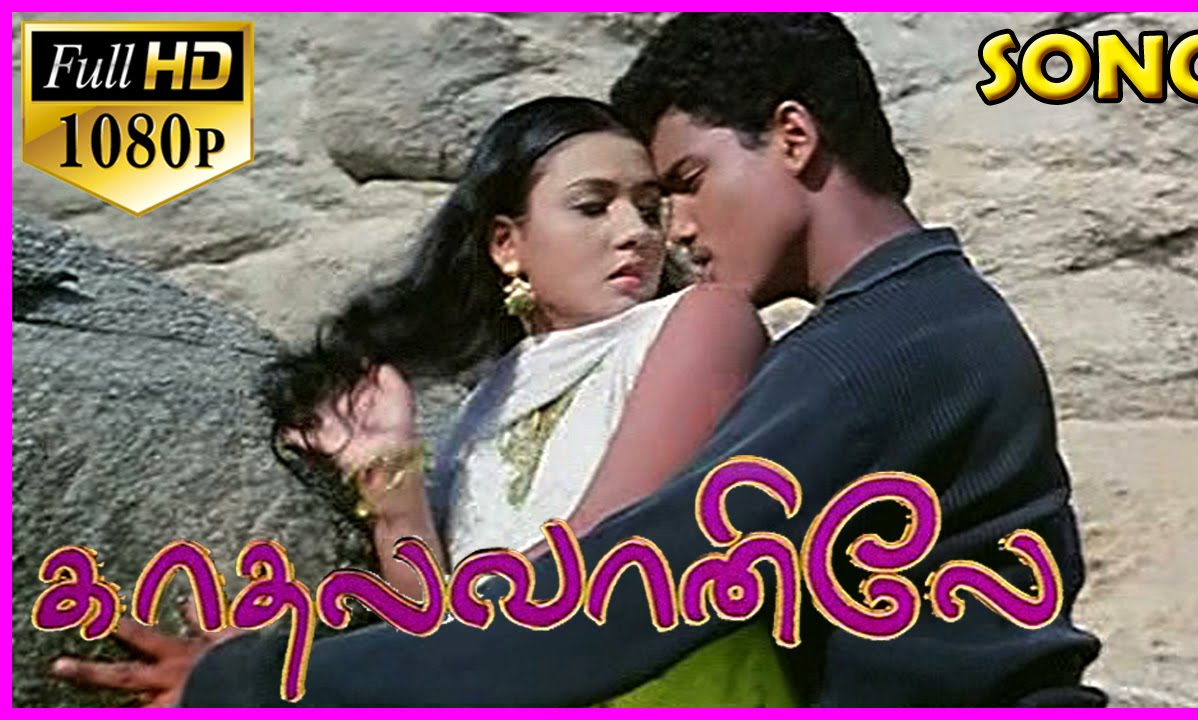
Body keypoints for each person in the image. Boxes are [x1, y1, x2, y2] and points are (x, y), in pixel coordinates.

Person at [64, 13, 1107, 707]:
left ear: (792, 137)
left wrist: (259, 679)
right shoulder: (911, 324)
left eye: (682, 183)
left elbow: (612, 603)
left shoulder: (883, 349)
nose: (672, 231)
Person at [49, 96, 797, 708]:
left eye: (648, 206)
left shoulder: (704, 319)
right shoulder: (492, 397)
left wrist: (280, 676)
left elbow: (592, 565)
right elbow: (436, 629)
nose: (636, 233)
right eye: (593, 206)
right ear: (506, 244)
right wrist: (394, 492)